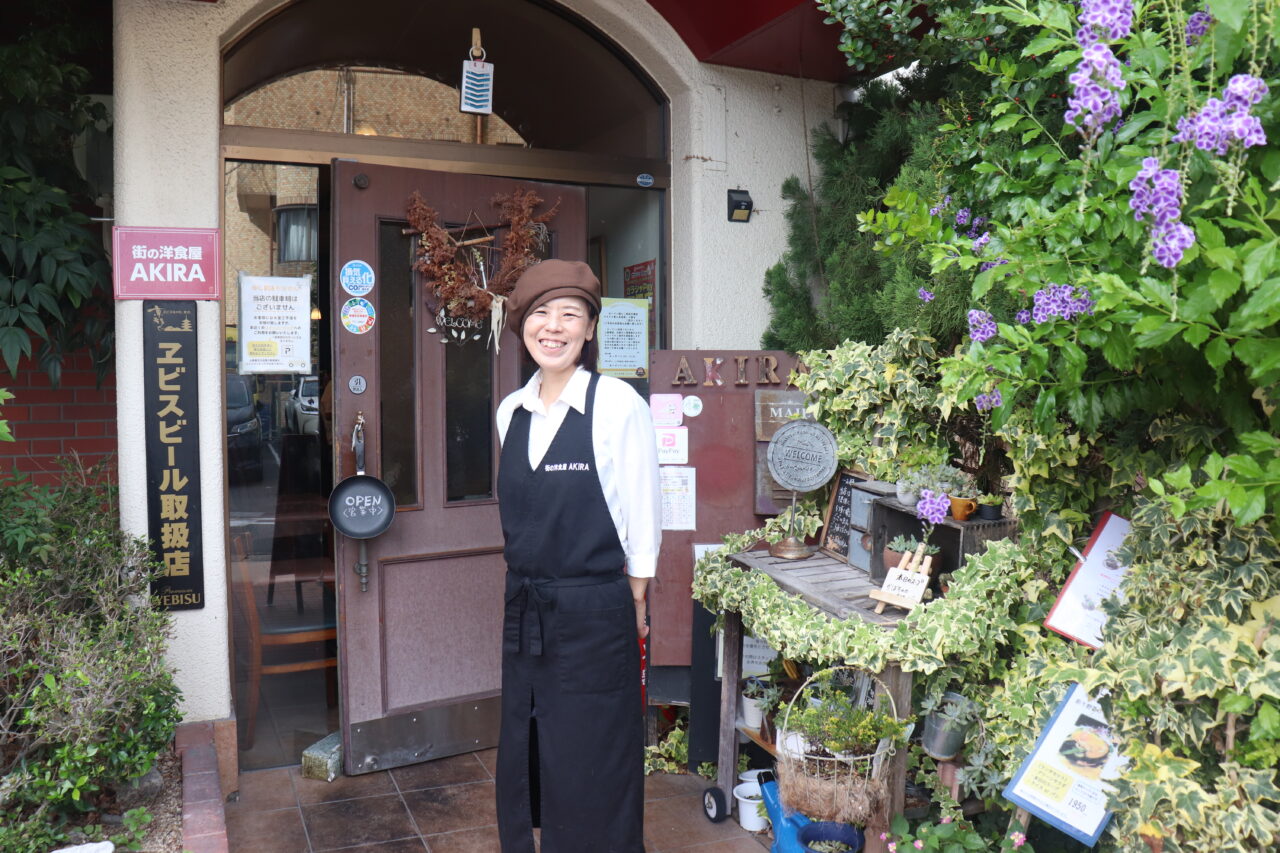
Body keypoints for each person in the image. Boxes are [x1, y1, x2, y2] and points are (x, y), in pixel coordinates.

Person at [494, 260, 661, 852]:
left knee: (594, 756)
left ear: (590, 329)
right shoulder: (509, 412)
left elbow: (642, 511)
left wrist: (636, 597)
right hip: (527, 609)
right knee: (528, 746)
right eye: (540, 313)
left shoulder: (617, 405)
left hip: (595, 610)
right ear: (523, 327)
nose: (553, 327)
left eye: (570, 314)